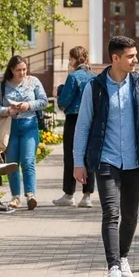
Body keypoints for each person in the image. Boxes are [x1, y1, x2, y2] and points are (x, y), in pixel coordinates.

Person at [73, 36, 139, 277]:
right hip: (106, 160)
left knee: (130, 215)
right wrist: (78, 162)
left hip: (134, 161)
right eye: (131, 56)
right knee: (111, 213)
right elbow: (83, 126)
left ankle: (123, 257)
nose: (136, 60)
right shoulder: (95, 87)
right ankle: (112, 265)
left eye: (135, 55)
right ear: (115, 58)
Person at [0, 56, 49, 211]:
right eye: (19, 70)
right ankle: (15, 196)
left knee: (28, 160)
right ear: (11, 70)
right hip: (10, 127)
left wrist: (28, 105)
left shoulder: (34, 82)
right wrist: (7, 110)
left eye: (24, 69)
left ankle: (31, 194)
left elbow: (44, 101)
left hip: (29, 125)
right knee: (13, 163)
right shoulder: (3, 86)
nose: (22, 72)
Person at [53, 46, 97, 208]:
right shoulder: (94, 77)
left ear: (74, 59)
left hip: (74, 119)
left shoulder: (73, 77)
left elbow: (64, 101)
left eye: (70, 58)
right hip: (91, 119)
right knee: (88, 156)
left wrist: (60, 91)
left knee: (71, 155)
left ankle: (69, 193)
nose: (69, 61)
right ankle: (87, 195)